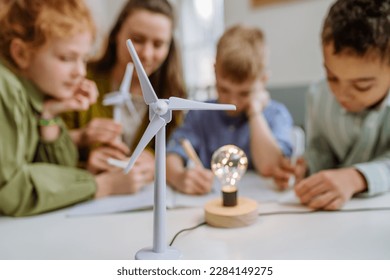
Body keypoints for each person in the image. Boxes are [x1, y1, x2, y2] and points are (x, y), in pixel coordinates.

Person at [0, 0, 148, 217]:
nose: (80, 71)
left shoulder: (37, 94)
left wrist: (49, 115)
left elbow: (57, 169)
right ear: (21, 54)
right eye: (67, 58)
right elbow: (11, 190)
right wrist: (101, 185)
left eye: (84, 59)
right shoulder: (6, 88)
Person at [274, 0, 390, 210]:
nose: (341, 95)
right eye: (331, 77)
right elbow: (321, 149)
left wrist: (356, 178)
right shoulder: (318, 96)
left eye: (362, 86)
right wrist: (306, 165)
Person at [62, 0, 186, 191]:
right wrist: (85, 164)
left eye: (159, 44)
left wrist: (158, 162)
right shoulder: (78, 81)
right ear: (116, 35)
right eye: (137, 39)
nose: (146, 54)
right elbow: (47, 145)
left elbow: (180, 146)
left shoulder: (171, 95)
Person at [166, 25, 293, 195]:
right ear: (214, 71)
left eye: (244, 93)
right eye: (224, 89)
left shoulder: (276, 115)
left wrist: (254, 112)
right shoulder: (200, 114)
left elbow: (270, 167)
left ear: (263, 80)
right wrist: (179, 177)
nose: (232, 101)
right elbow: (173, 151)